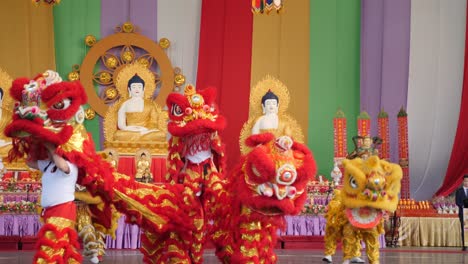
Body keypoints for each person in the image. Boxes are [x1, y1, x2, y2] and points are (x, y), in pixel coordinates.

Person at [26, 141, 81, 263]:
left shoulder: (70, 165)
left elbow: (62, 166)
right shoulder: (48, 165)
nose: (46, 152)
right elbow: (29, 162)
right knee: (63, 248)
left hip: (62, 211)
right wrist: (32, 143)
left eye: (49, 150)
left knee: (50, 247)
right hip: (50, 212)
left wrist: (51, 148)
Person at [114, 74, 165, 141]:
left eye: (139, 86)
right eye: (134, 87)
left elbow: (154, 122)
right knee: (118, 135)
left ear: (143, 89)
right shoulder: (124, 104)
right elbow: (121, 125)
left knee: (161, 135)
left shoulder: (150, 105)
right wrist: (129, 128)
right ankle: (142, 138)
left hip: (146, 131)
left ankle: (140, 137)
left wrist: (145, 129)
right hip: (130, 131)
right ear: (129, 89)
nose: (137, 89)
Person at [455, 174, 468, 251]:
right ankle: (464, 245)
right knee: (464, 229)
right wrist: (463, 206)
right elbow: (457, 201)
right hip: (463, 213)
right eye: (465, 181)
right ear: (463, 181)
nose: (467, 182)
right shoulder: (459, 191)